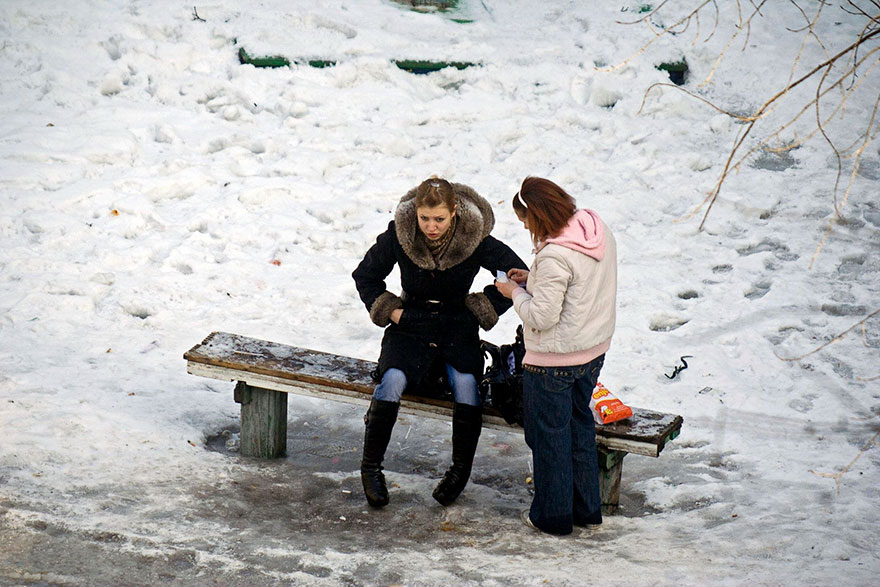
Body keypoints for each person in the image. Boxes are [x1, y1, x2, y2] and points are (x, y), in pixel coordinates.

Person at [352, 177, 527, 508]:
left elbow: (518, 274)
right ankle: (371, 468)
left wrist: (478, 308)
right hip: (411, 324)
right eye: (425, 218)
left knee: (466, 384)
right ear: (415, 212)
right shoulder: (400, 233)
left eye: (439, 219)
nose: (431, 227)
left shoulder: (474, 236)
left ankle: (459, 472)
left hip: (455, 324)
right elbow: (366, 276)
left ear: (455, 212)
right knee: (392, 380)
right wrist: (394, 312)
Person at [495, 176, 617, 536]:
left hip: (554, 363)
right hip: (592, 352)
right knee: (579, 429)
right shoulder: (595, 229)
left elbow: (541, 317)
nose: (527, 230)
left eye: (526, 222)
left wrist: (513, 292)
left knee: (549, 438)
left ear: (538, 216)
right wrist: (532, 279)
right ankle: (586, 511)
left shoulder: (554, 256)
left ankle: (552, 517)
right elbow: (578, 286)